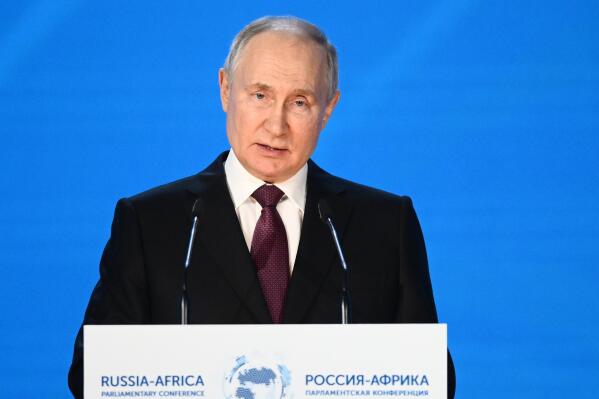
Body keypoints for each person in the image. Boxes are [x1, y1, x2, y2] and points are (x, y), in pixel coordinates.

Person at [68, 16, 456, 398]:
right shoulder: (151, 223)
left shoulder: (385, 224)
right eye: (260, 95)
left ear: (328, 109)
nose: (276, 125)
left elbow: (431, 378)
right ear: (224, 89)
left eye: (300, 102)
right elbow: (93, 374)